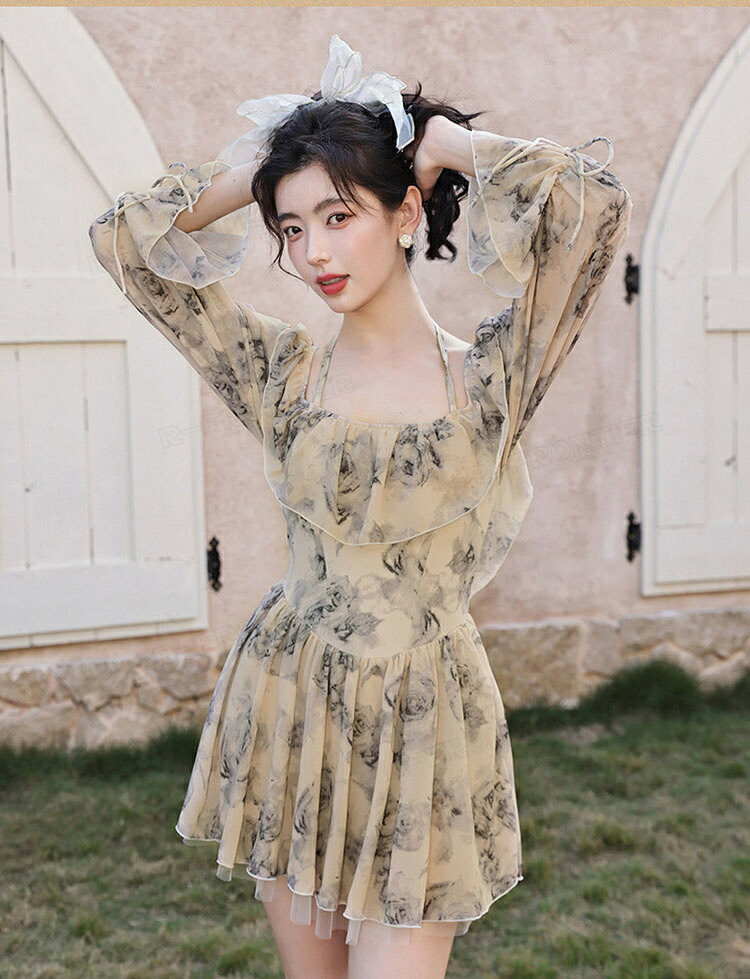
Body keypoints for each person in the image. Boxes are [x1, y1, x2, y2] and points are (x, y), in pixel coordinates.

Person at [88, 34, 632, 979]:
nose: (314, 252)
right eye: (292, 228)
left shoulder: (490, 380)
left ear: (406, 212)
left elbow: (594, 210)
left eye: (339, 216)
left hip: (426, 722)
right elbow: (126, 244)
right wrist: (266, 165)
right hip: (290, 700)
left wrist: (442, 143)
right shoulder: (279, 375)